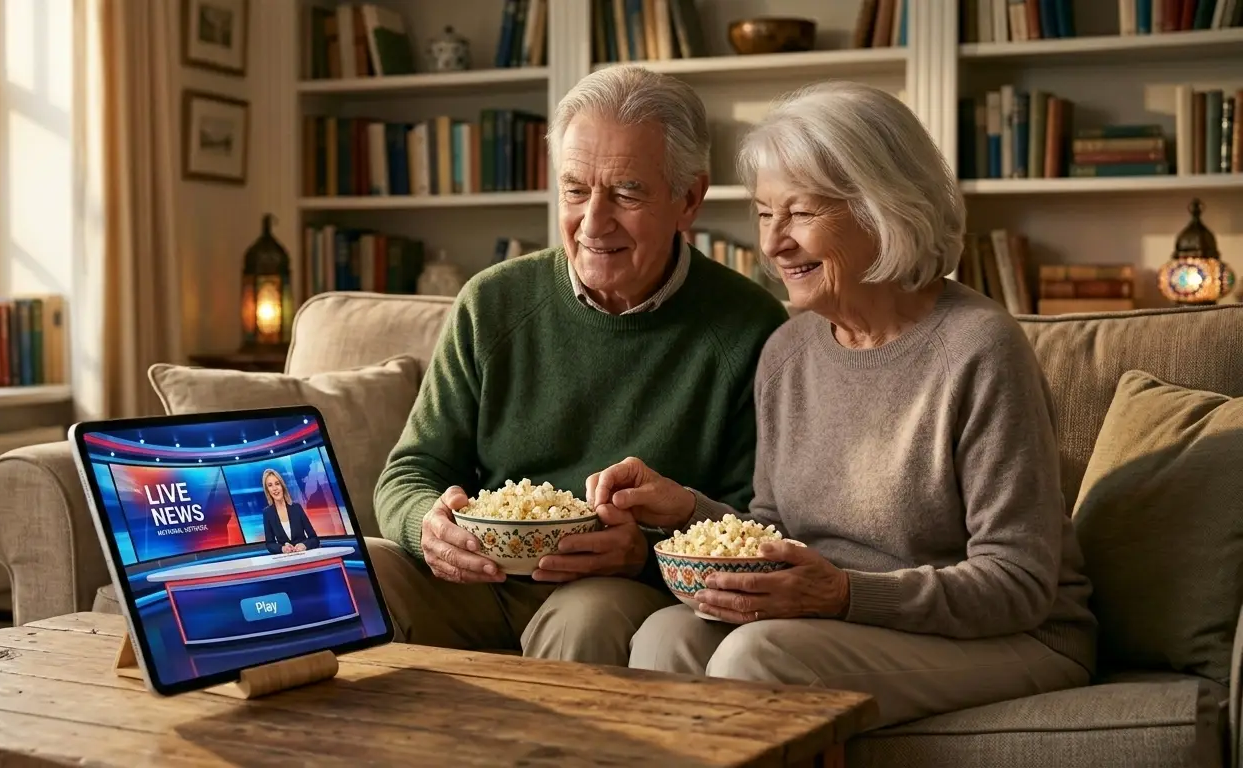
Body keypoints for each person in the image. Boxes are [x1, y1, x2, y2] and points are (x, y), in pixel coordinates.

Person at [590, 81, 1097, 727]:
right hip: (837, 619)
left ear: (882, 207)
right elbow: (774, 529)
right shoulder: (788, 351)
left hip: (1012, 636)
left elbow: (1019, 583)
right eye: (765, 214)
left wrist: (843, 593)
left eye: (800, 213)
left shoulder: (978, 348)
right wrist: (688, 509)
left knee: (757, 655)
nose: (773, 244)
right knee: (665, 636)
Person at [367, 64, 790, 666]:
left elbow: (755, 525)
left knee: (583, 620)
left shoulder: (752, 332)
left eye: (626, 192)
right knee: (352, 572)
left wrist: (642, 552)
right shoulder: (491, 303)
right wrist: (425, 528)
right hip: (478, 576)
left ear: (688, 198)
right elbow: (409, 471)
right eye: (574, 189)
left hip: (617, 589)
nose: (593, 222)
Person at [261, 468, 319, 555]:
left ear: (282, 486)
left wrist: (304, 545)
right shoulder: (267, 513)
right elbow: (270, 544)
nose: (275, 488)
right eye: (270, 485)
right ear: (267, 490)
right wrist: (282, 548)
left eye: (277, 484)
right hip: (285, 560)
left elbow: (314, 539)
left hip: (304, 556)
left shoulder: (296, 508)